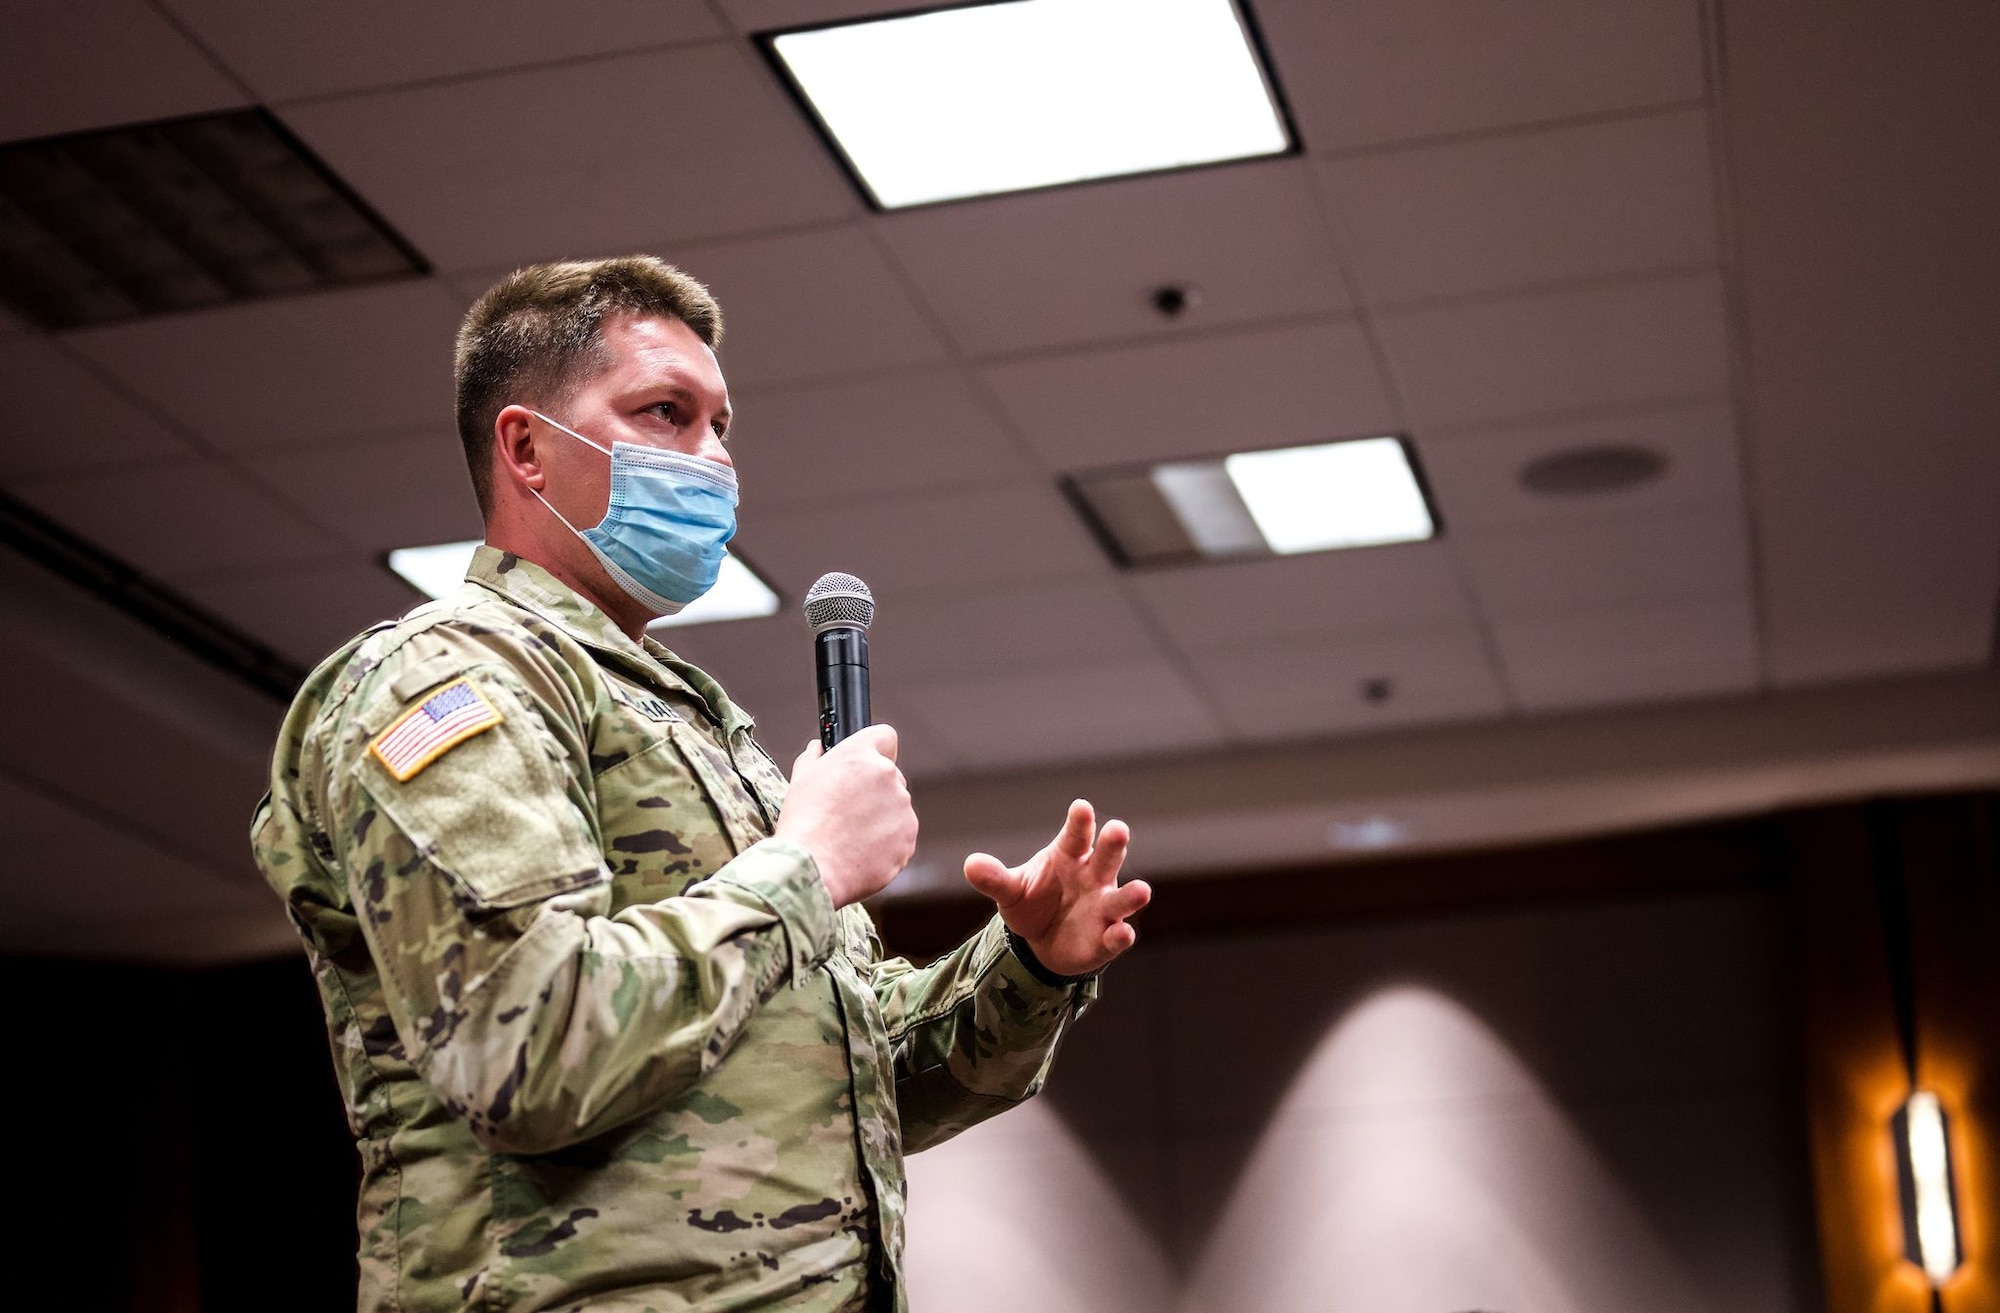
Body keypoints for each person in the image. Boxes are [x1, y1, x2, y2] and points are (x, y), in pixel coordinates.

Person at [251, 256, 1151, 1313]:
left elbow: (850, 1087)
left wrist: (1029, 966)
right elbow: (528, 1049)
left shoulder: (684, 715)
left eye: (721, 425)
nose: (712, 458)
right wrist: (805, 863)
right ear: (526, 446)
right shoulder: (449, 677)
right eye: (665, 413)